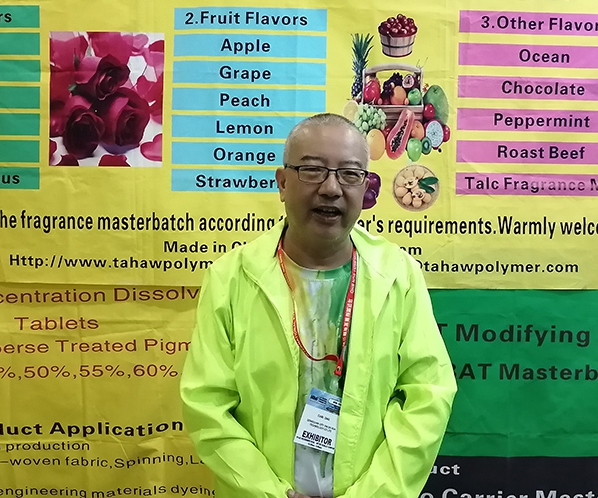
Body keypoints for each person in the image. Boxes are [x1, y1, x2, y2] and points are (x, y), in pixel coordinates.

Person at [180, 113, 456, 498]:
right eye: (312, 170)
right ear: (282, 183)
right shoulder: (231, 278)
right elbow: (207, 405)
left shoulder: (398, 275)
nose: (331, 188)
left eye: (350, 174)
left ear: (366, 188)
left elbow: (428, 395)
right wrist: (270, 492)